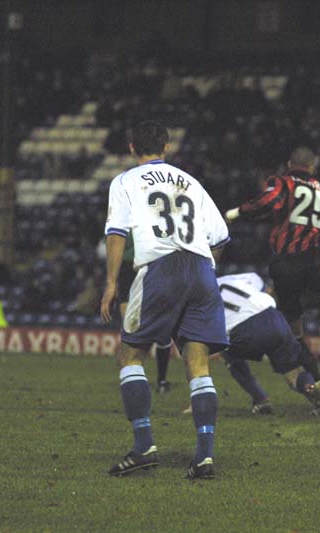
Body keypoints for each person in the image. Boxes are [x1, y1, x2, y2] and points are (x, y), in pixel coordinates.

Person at [100, 120, 230, 480]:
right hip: (203, 267)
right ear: (166, 148)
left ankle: (143, 447)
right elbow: (220, 235)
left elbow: (116, 233)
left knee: (129, 354)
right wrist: (202, 270)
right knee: (198, 361)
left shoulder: (125, 181)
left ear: (131, 148)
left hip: (161, 267)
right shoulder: (191, 181)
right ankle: (204, 457)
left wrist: (111, 283)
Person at [225, 147, 320, 413]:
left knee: (294, 332)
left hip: (287, 261)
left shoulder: (282, 182)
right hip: (319, 260)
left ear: (290, 164)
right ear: (313, 166)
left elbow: (268, 203)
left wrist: (235, 214)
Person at [213, 272, 320, 418]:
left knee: (228, 354)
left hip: (243, 329)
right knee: (293, 374)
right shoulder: (239, 278)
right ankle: (310, 388)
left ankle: (261, 399)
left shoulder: (201, 292)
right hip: (273, 318)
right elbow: (268, 288)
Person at [116, 232, 174, 393]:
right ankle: (160, 381)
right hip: (153, 265)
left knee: (130, 329)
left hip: (134, 266)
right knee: (162, 328)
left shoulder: (126, 220)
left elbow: (114, 243)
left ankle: (132, 378)